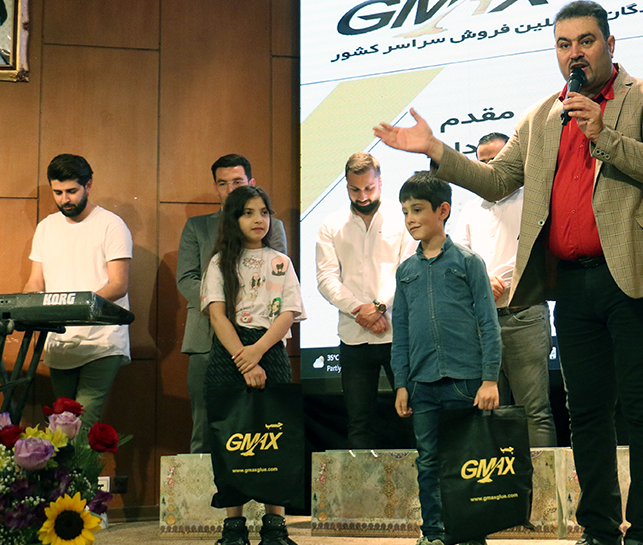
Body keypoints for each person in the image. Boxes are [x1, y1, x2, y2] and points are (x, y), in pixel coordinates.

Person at [376, 0, 643, 545]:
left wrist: (604, 135)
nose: (575, 54)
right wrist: (435, 149)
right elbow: (498, 180)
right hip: (573, 282)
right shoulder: (541, 116)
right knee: (586, 411)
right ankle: (598, 529)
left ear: (610, 45)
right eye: (564, 44)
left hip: (640, 277)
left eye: (586, 42)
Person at [392, 172, 502, 545]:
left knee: (468, 461)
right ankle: (434, 532)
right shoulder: (405, 271)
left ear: (443, 210)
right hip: (422, 384)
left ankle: (469, 532)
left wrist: (490, 378)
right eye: (405, 211)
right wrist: (401, 383)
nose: (410, 219)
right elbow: (401, 332)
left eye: (417, 209)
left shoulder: (469, 262)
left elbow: (488, 323)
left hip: (465, 380)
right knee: (428, 461)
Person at [200, 185, 305, 545]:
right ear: (234, 219)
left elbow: (289, 312)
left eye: (263, 212)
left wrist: (258, 351)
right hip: (229, 352)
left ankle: (275, 527)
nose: (258, 219)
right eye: (248, 213)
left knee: (274, 434)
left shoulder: (281, 262)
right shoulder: (219, 262)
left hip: (269, 348)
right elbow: (217, 315)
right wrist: (244, 360)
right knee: (232, 435)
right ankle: (234, 528)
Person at [177, 154, 288, 453]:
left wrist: (248, 310)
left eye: (237, 182)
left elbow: (276, 283)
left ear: (251, 182)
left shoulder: (272, 226)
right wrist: (223, 306)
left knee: (263, 428)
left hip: (261, 341)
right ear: (215, 187)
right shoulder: (197, 227)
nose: (230, 189)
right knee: (206, 424)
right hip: (207, 335)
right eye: (222, 183)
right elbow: (186, 278)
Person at [455, 132, 556, 447]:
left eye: (495, 160)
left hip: (524, 314)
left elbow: (540, 251)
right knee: (490, 411)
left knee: (534, 411)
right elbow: (457, 259)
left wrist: (501, 280)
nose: (488, 168)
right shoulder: (470, 209)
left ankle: (541, 480)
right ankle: (499, 479)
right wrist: (482, 279)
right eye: (482, 162)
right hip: (482, 323)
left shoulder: (532, 199)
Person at [315, 152, 413, 449]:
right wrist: (360, 310)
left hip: (399, 335)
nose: (362, 196)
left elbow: (408, 271)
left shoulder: (403, 219)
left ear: (380, 181)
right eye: (354, 189)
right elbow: (326, 279)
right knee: (359, 422)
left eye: (369, 188)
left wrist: (380, 307)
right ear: (346, 185)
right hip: (354, 336)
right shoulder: (331, 224)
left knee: (412, 415)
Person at [24, 154, 131, 426]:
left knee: (85, 420)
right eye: (58, 192)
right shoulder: (46, 227)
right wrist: (27, 303)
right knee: (62, 423)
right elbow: (36, 281)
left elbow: (118, 284)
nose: (65, 199)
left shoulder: (111, 224)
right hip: (60, 339)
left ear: (88, 185)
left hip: (102, 339)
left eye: (71, 191)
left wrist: (77, 308)